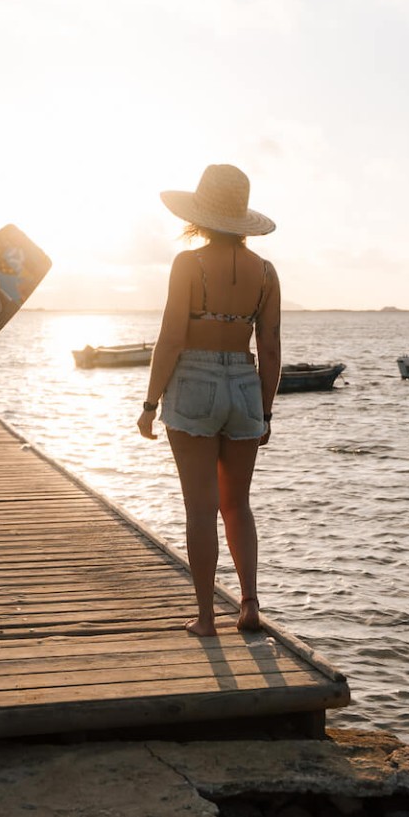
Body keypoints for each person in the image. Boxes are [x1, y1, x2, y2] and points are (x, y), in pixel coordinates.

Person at [137, 164, 282, 636]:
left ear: (201, 213)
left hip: (194, 381)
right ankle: (250, 604)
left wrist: (150, 402)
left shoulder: (189, 264)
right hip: (244, 381)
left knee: (200, 509)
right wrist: (265, 410)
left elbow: (172, 337)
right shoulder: (266, 272)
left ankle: (204, 618)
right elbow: (272, 345)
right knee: (237, 504)